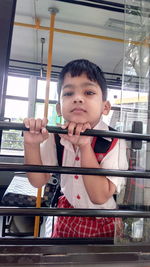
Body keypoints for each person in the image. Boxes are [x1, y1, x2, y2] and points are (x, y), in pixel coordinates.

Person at [23, 59, 128, 238]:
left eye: (88, 92)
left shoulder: (114, 140)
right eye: (69, 93)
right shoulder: (55, 136)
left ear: (105, 107)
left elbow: (100, 197)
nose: (78, 98)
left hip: (103, 219)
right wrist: (31, 144)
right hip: (67, 213)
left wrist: (85, 146)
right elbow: (38, 181)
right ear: (58, 108)